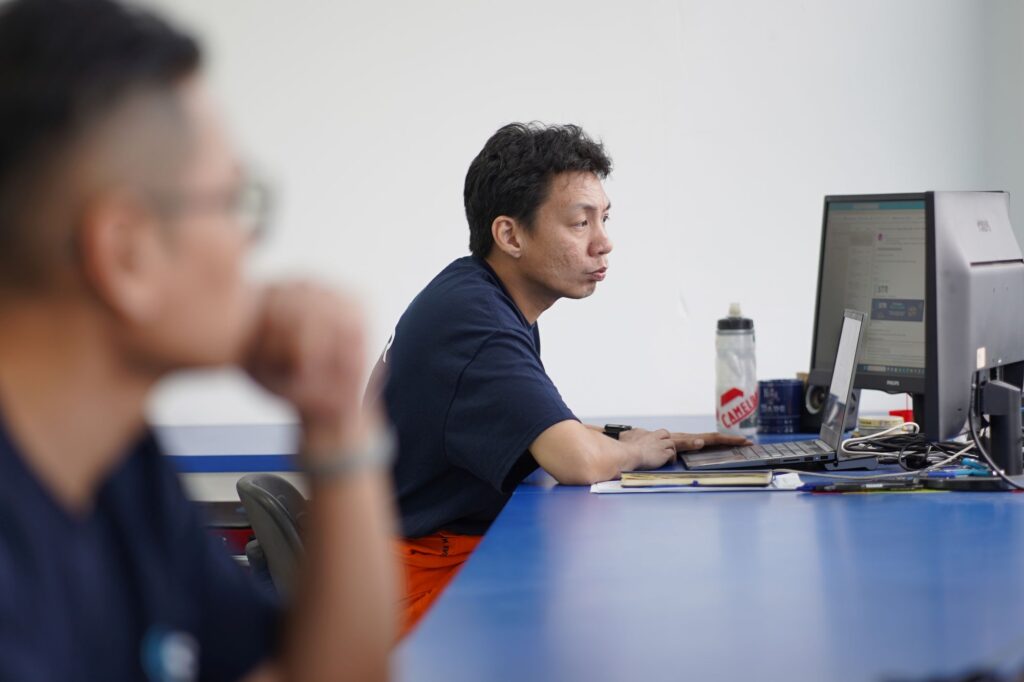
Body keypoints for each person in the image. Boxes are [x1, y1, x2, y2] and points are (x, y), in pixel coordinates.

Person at [0, 1, 395, 680]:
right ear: (127, 253)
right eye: (233, 203)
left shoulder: (119, 469)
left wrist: (335, 427)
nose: (248, 243)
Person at [368, 122, 751, 634]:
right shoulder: (478, 323)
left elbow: (545, 429)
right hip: (410, 588)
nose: (604, 243)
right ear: (510, 234)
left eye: (605, 219)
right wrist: (639, 451)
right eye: (579, 223)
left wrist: (628, 436)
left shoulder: (476, 295)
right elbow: (577, 461)